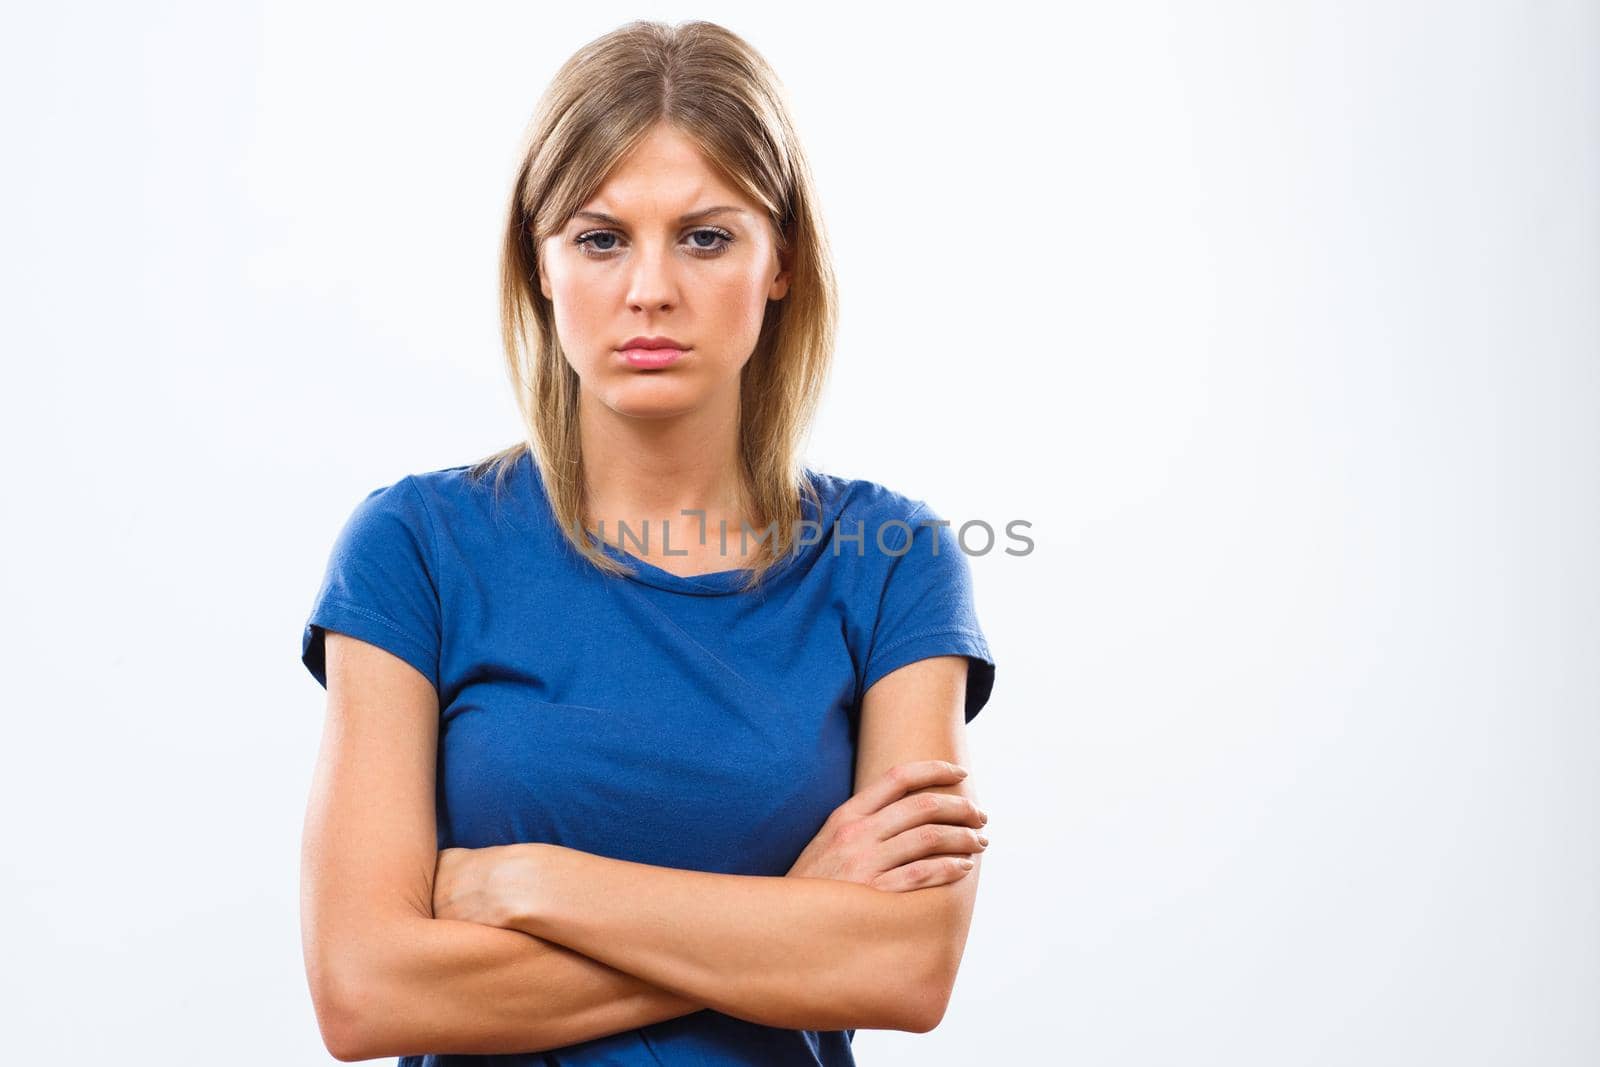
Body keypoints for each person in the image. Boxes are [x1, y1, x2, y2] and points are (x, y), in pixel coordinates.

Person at [297, 19, 997, 1066]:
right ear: (538, 262)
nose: (649, 290)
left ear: (781, 263)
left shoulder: (890, 557)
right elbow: (366, 990)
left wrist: (529, 882)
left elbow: (901, 969)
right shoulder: (415, 546)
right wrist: (788, 919)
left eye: (705, 236)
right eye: (600, 236)